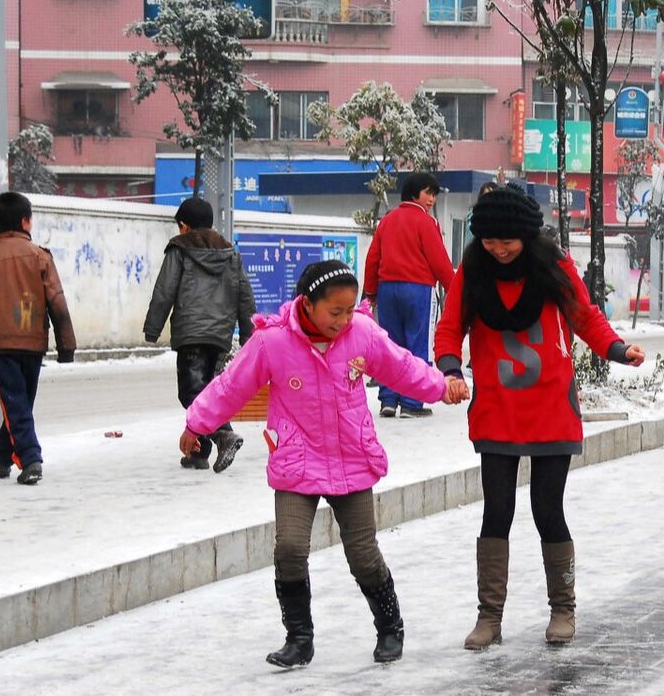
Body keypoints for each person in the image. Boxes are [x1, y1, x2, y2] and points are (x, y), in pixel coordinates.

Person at [180, 260, 469, 668]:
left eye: (350, 310)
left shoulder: (362, 334)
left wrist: (442, 387)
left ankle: (390, 627)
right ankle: (299, 638)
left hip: (352, 457)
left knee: (363, 554)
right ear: (308, 304)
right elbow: (231, 386)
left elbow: (401, 366)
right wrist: (196, 423)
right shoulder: (272, 342)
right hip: (297, 461)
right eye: (336, 311)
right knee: (290, 549)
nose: (344, 319)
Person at [434, 186, 646, 650]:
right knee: (497, 512)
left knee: (548, 510)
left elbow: (585, 316)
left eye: (508, 239)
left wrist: (615, 348)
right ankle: (489, 617)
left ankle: (563, 608)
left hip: (551, 406)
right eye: (490, 240)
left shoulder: (553, 265)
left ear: (527, 235)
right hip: (496, 410)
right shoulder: (472, 270)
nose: (500, 248)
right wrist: (450, 368)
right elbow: (449, 328)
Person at [0, 191, 76, 486]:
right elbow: (58, 303)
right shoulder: (41, 256)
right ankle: (12, 458)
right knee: (20, 403)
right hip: (34, 342)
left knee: (15, 403)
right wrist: (66, 346)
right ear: (27, 222)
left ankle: (26, 459)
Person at [144, 197, 255, 472]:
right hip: (220, 336)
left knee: (191, 392)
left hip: (191, 333)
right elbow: (245, 295)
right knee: (209, 389)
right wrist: (249, 334)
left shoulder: (179, 249)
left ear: (184, 226)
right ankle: (199, 452)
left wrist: (152, 327)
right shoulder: (231, 253)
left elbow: (164, 290)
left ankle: (223, 434)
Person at [363, 172, 456, 418]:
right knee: (418, 345)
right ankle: (412, 402)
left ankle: (388, 399)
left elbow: (373, 258)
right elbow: (439, 261)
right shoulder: (426, 223)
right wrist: (456, 289)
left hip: (387, 290)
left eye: (434, 194)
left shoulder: (387, 220)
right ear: (414, 193)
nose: (432, 199)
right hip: (418, 290)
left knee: (390, 346)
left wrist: (370, 291)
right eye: (428, 193)